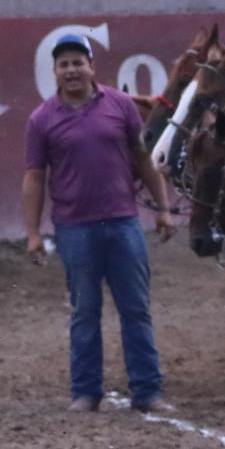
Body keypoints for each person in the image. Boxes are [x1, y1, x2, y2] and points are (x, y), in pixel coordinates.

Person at [22, 33, 176, 413]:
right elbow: (34, 176)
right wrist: (32, 233)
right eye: (64, 65)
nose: (72, 70)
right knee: (84, 311)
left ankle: (147, 390)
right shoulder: (41, 120)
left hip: (124, 222)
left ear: (92, 67)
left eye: (78, 62)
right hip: (75, 228)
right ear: (55, 72)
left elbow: (143, 160)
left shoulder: (121, 105)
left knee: (136, 308)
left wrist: (162, 208)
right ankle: (86, 392)